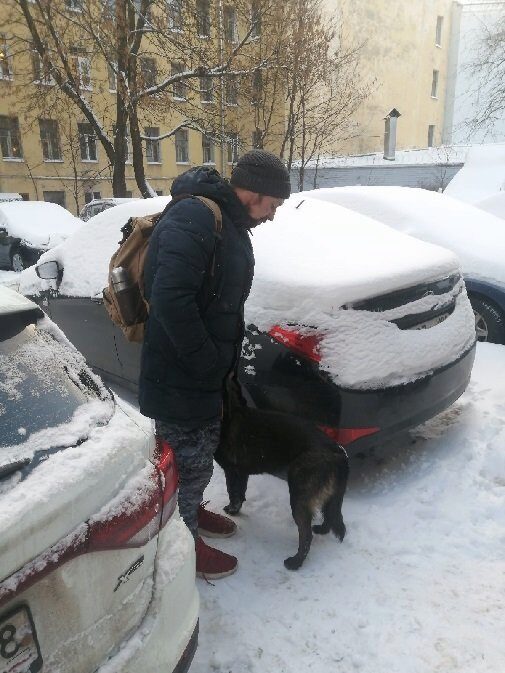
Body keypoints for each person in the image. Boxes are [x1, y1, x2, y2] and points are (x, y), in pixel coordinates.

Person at [139, 150, 291, 579]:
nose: (274, 216)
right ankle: (183, 543)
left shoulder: (227, 221)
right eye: (274, 206)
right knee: (185, 462)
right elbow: (170, 300)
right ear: (255, 193)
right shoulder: (196, 218)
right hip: (180, 374)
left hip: (202, 374)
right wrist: (208, 362)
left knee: (200, 456)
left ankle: (191, 512)